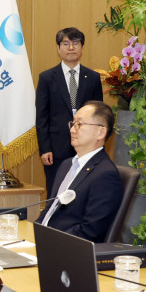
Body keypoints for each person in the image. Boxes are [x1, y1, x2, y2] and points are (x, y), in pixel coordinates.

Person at [36, 101, 123, 242]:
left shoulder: (105, 174)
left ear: (100, 132)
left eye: (79, 124)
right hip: (42, 241)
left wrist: (49, 241)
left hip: (65, 249)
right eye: (72, 123)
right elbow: (49, 212)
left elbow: (90, 231)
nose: (72, 130)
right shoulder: (66, 165)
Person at [35, 27, 104, 197]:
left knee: (84, 190)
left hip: (86, 144)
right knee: (55, 191)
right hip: (56, 147)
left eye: (75, 43)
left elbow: (99, 114)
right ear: (58, 48)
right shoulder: (47, 77)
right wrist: (45, 148)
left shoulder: (93, 77)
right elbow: (41, 116)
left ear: (82, 48)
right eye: (66, 43)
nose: (71, 48)